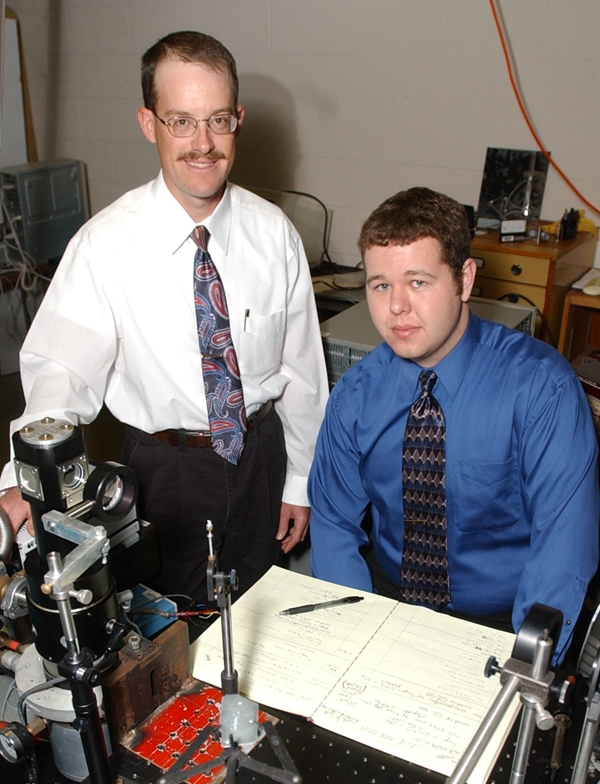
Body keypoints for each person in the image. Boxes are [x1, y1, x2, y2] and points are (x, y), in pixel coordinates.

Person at [0, 31, 328, 604]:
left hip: (261, 463)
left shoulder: (274, 234)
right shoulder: (104, 246)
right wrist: (23, 481)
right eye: (181, 121)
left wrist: (300, 478)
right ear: (149, 123)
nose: (203, 143)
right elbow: (60, 377)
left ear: (238, 121)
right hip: (163, 479)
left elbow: (301, 372)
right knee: (168, 629)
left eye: (218, 120)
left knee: (263, 615)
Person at [308, 186, 599, 665]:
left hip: (501, 622)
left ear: (464, 279)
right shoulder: (356, 395)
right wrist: (352, 637)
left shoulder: (541, 389)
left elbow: (562, 550)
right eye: (381, 285)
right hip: (387, 599)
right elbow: (334, 523)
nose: (397, 306)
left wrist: (526, 666)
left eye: (418, 282)